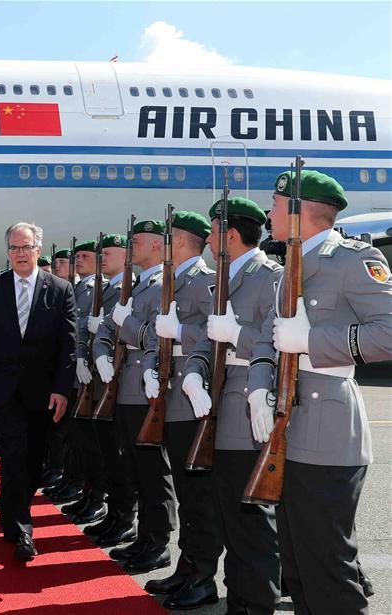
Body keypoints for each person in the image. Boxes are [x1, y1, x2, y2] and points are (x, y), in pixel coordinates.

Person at [252, 170, 390, 614]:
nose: (269, 213)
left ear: (297, 213)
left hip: (328, 433)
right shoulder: (285, 265)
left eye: (275, 205)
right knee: (295, 562)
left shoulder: (352, 259)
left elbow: (387, 331)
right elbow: (264, 336)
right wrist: (258, 389)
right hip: (286, 427)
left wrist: (310, 342)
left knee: (327, 565)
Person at [183, 197, 283, 615]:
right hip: (221, 405)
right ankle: (238, 598)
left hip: (250, 406)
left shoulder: (270, 277)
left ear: (231, 235)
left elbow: (277, 342)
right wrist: (193, 371)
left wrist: (235, 333)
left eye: (212, 231)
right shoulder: (224, 277)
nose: (207, 239)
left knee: (251, 520)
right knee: (228, 513)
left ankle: (257, 602)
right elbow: (208, 336)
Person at [0, 222, 77, 561]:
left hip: (43, 391)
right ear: (7, 252)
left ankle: (11, 511)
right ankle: (22, 529)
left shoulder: (60, 289)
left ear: (38, 250)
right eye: (14, 248)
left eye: (26, 247)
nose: (20, 253)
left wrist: (62, 389)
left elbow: (68, 345)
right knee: (15, 455)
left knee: (34, 461)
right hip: (3, 390)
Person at [141, 211, 222, 609]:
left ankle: (204, 575)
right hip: (172, 399)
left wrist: (179, 335)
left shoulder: (205, 279)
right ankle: (187, 566)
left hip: (194, 400)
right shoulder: (173, 279)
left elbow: (215, 332)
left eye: (167, 237)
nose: (162, 245)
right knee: (188, 492)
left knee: (198, 492)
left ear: (185, 241)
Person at [93, 218, 177, 573]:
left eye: (138, 240)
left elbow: (159, 338)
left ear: (158, 245)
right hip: (125, 388)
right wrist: (99, 349)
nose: (132, 247)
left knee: (153, 470)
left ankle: (157, 541)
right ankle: (144, 537)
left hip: (148, 389)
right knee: (135, 467)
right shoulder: (138, 284)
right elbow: (108, 328)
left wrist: (125, 325)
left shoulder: (163, 283)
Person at [83, 234, 137, 546]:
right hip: (103, 377)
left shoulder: (127, 287)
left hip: (124, 380)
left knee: (121, 457)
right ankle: (115, 513)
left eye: (108, 252)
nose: (101, 256)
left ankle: (125, 517)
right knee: (104, 451)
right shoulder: (108, 287)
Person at [61, 239, 108, 525]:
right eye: (76, 256)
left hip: (95, 374)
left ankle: (98, 497)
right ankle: (87, 491)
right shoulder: (79, 287)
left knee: (95, 444)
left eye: (84, 256)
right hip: (80, 370)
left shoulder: (97, 288)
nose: (78, 260)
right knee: (79, 439)